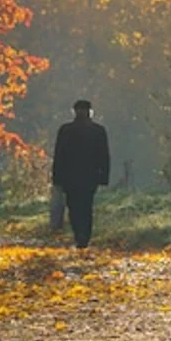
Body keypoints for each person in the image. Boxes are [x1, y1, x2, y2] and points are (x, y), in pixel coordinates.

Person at [52, 99, 110, 248]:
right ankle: (84, 236)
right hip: (89, 177)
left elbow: (59, 156)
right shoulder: (98, 131)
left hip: (71, 177)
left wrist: (57, 178)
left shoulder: (66, 130)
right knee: (85, 206)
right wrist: (103, 177)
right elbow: (104, 156)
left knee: (74, 206)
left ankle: (80, 235)